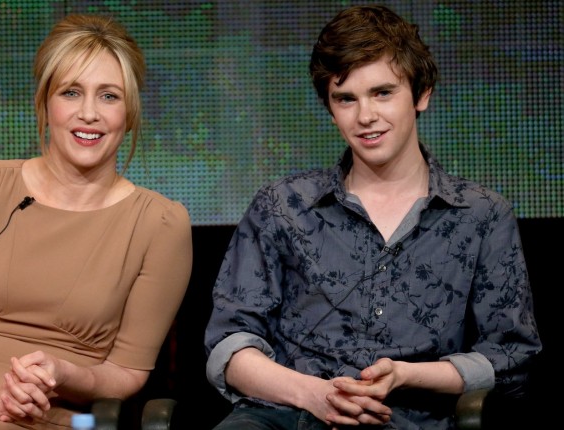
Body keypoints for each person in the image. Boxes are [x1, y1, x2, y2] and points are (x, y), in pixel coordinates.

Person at [204, 4, 540, 429]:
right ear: (330, 109)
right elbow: (229, 345)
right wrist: (315, 394)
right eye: (346, 99)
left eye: (382, 93)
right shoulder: (282, 206)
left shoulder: (481, 215)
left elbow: (510, 357)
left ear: (421, 94)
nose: (365, 116)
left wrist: (406, 375)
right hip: (284, 415)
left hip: (412, 418)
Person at [0, 14, 193, 430]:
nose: (89, 113)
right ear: (45, 103)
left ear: (130, 113)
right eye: (71, 92)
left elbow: (126, 373)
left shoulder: (160, 224)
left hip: (41, 417)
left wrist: (64, 373)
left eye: (109, 96)